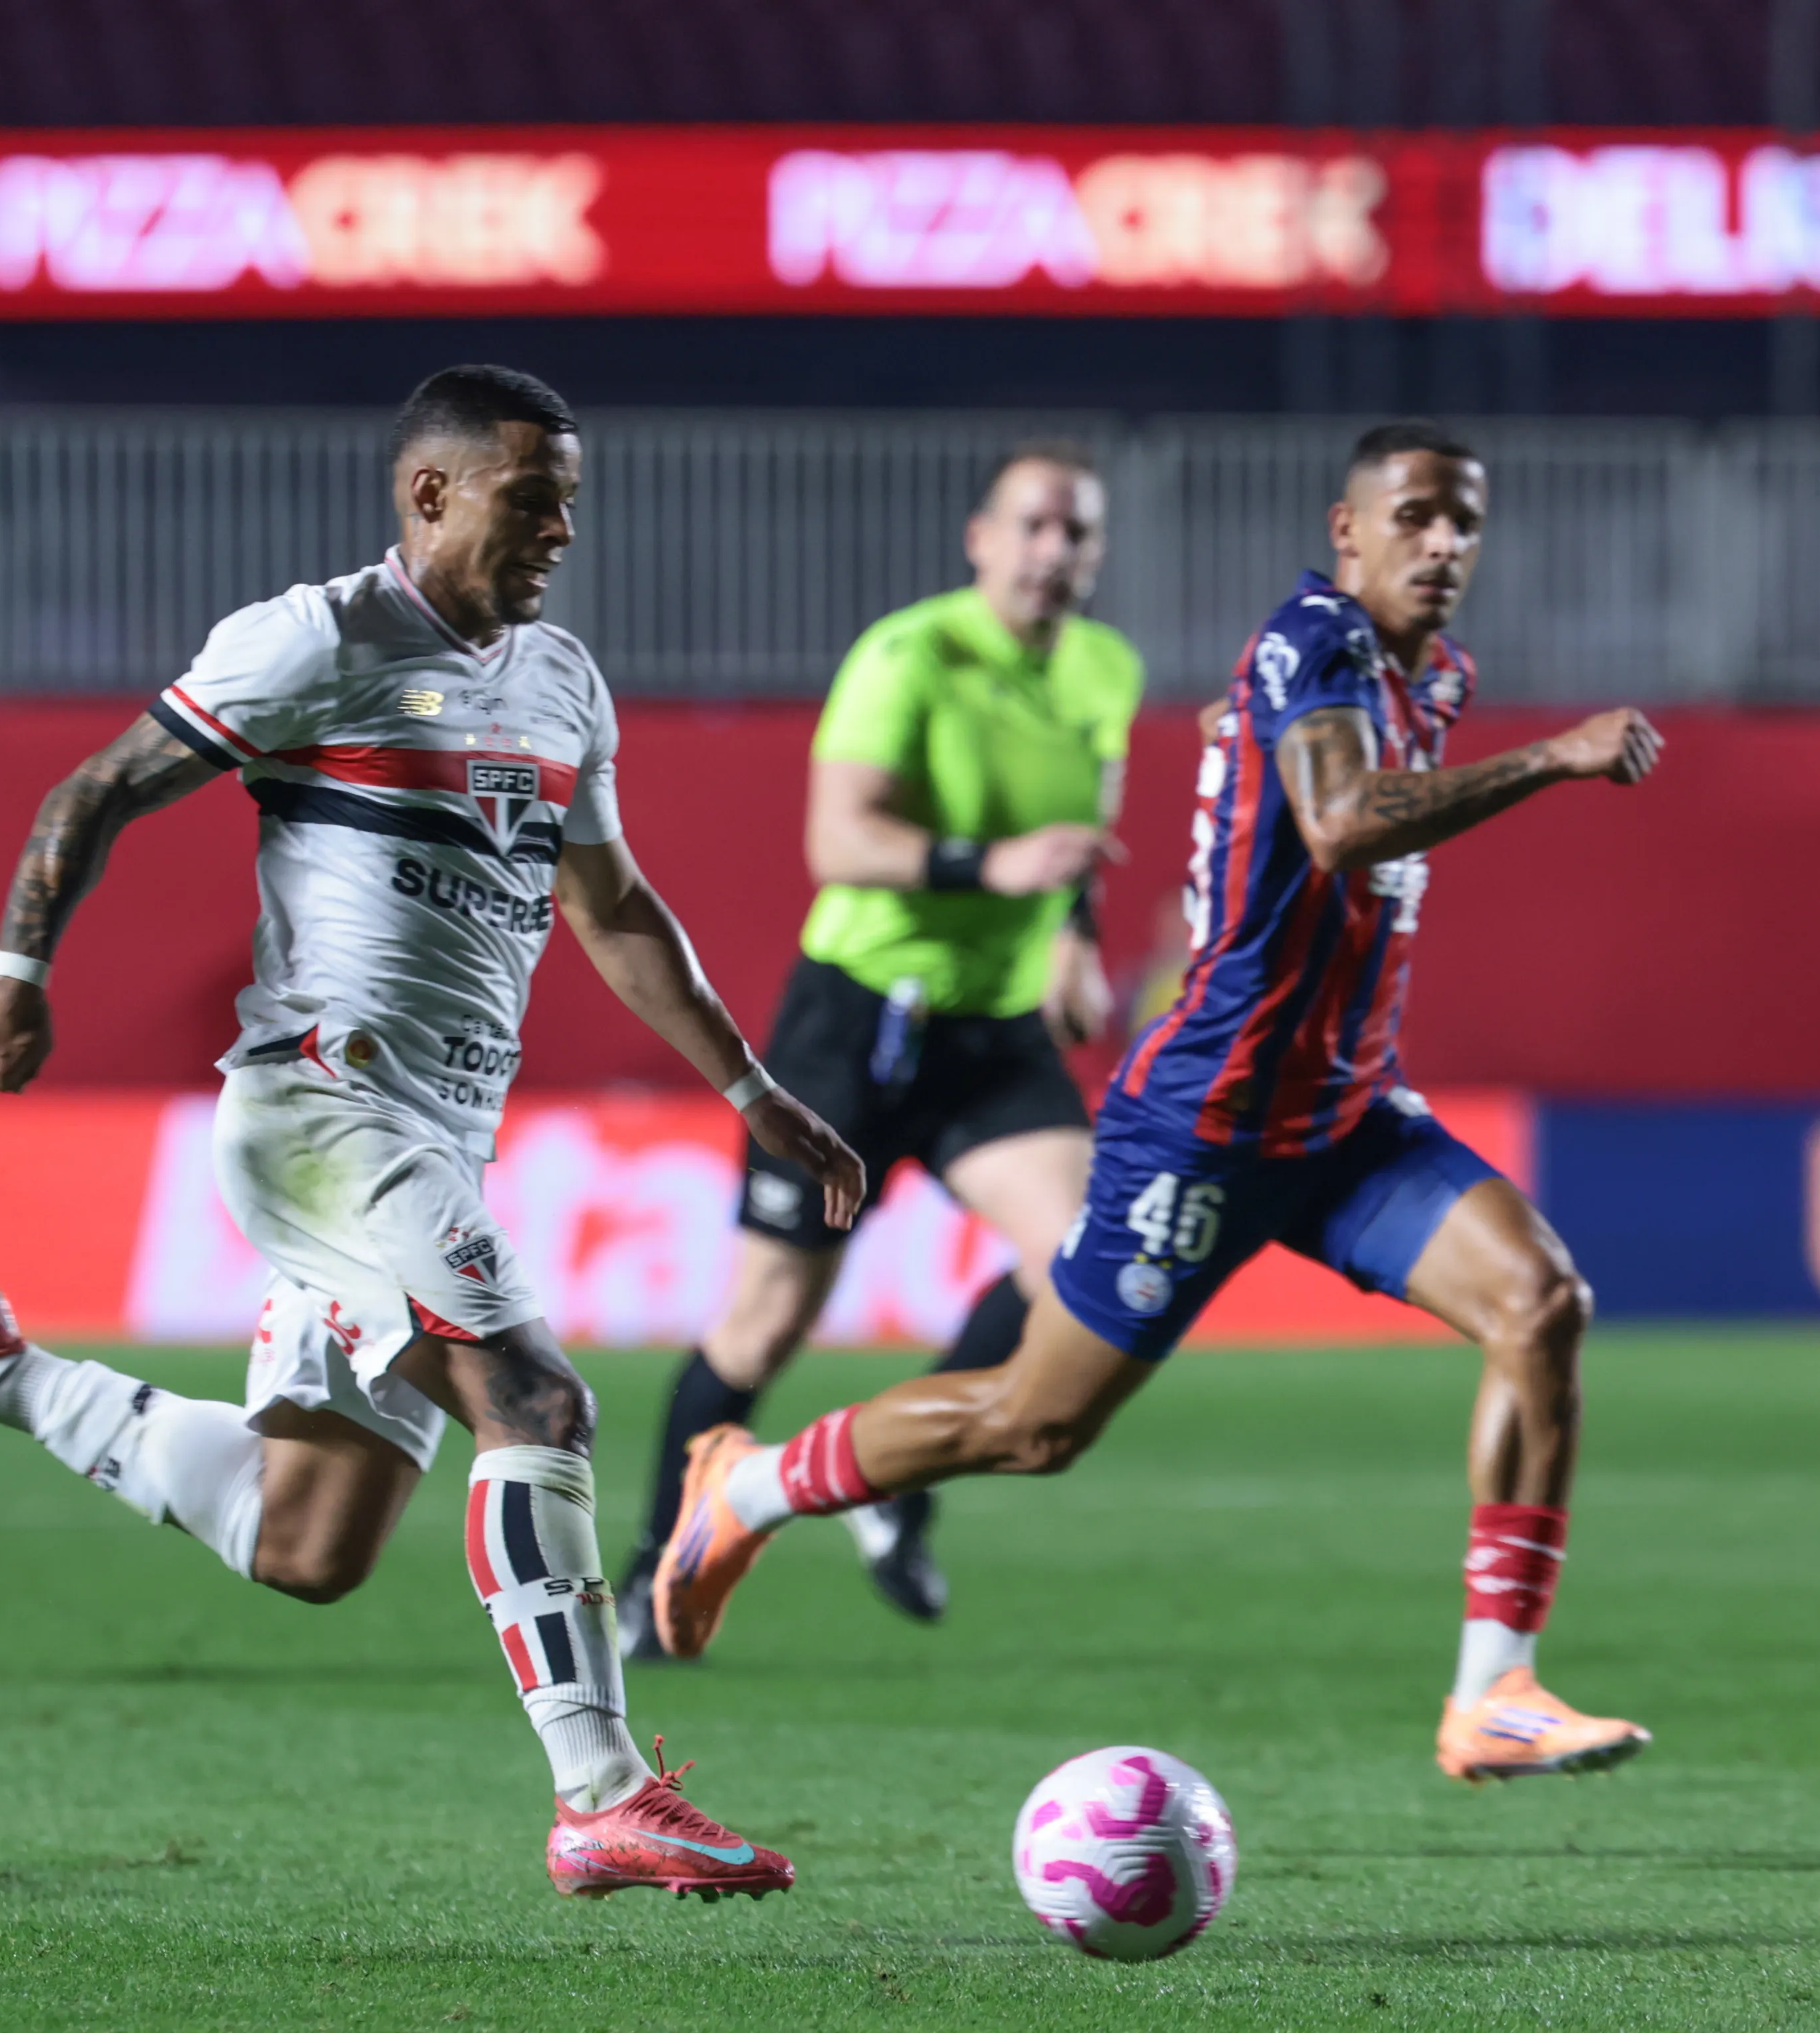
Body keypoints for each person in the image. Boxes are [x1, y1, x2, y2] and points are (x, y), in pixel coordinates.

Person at [0, 367, 863, 1897]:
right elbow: (96, 788)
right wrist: (15, 971)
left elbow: (610, 907)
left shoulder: (559, 679)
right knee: (537, 1403)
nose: (562, 524)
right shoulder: (318, 639)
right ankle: (601, 1796)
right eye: (530, 493)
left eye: (571, 495)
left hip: (435, 1135)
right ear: (428, 494)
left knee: (308, 1543)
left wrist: (752, 1088)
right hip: (323, 1108)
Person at [655, 420, 1670, 1786]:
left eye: (1463, 523)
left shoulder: (1423, 676)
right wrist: (1549, 760)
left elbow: (1262, 779)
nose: (1442, 545)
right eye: (1415, 516)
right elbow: (1341, 820)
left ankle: (1493, 1691)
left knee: (1538, 1304)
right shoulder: (1308, 640)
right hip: (1204, 1119)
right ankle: (752, 1487)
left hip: (1341, 1114)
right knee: (1032, 1425)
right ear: (1346, 531)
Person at [616, 443, 1139, 1655]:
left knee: (1078, 1255)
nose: (1054, 552)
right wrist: (987, 868)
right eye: (1035, 527)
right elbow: (838, 840)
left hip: (994, 1029)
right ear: (981, 537)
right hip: (858, 1019)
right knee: (763, 1327)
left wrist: (1072, 937)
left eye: (1078, 534)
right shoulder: (910, 655)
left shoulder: (1107, 668)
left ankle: (896, 1476)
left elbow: (1078, 843)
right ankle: (657, 1568)